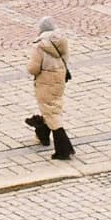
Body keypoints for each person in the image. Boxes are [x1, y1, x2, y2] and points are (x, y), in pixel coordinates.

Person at [24, 17, 73, 160]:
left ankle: (64, 149)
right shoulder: (62, 41)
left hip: (45, 81)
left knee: (51, 112)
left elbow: (33, 68)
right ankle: (42, 133)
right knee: (52, 107)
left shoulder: (40, 46)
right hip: (59, 78)